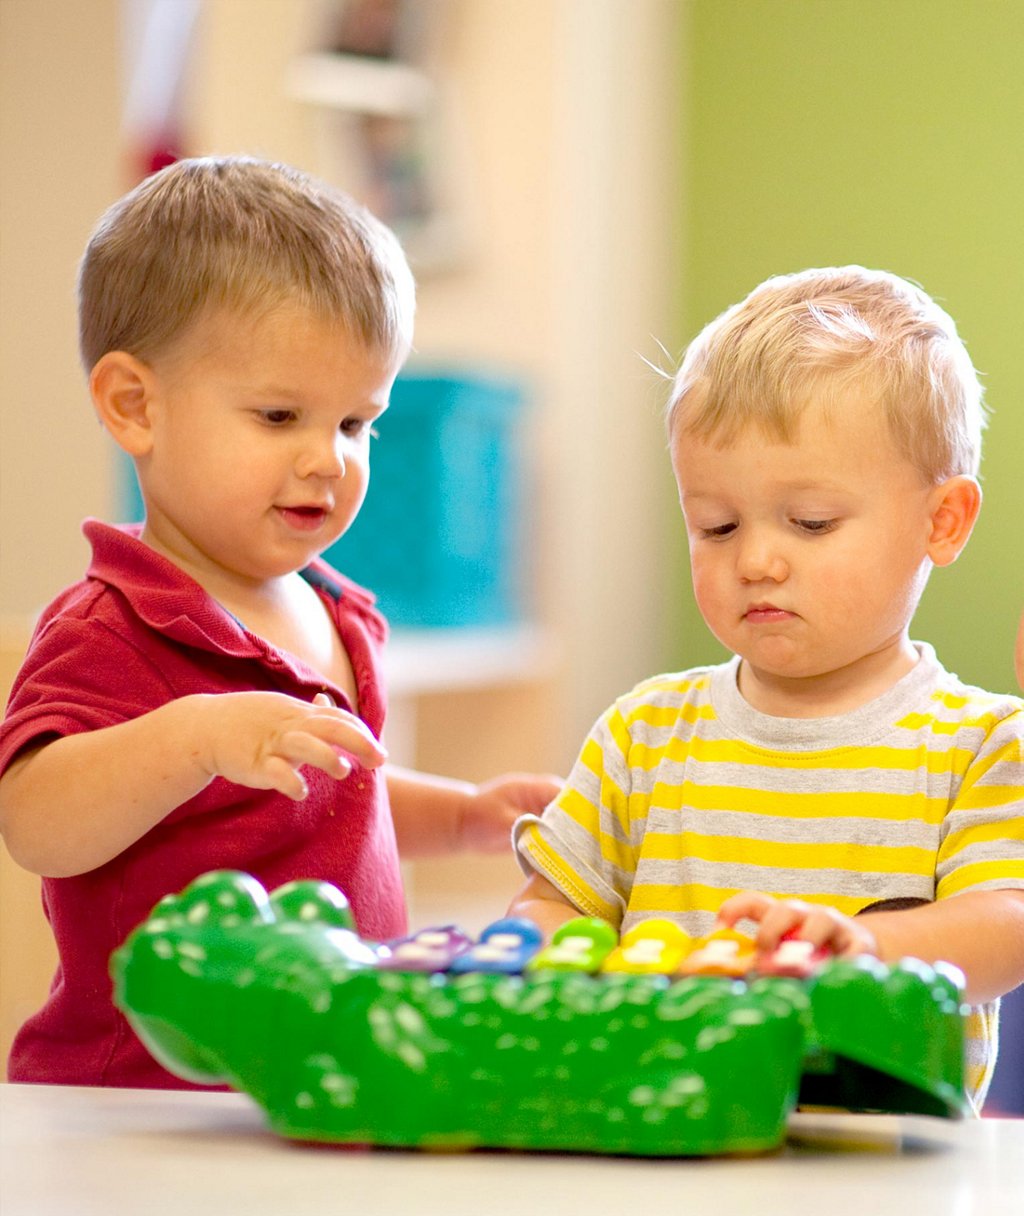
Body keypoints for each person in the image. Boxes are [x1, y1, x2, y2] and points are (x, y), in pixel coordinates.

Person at [0, 156, 559, 1089]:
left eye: (355, 423)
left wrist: (463, 816)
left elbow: (336, 795)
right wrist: (193, 739)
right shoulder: (114, 624)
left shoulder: (336, 611)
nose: (328, 460)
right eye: (279, 416)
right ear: (135, 406)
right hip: (149, 1101)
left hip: (320, 1076)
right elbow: (34, 820)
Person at [508, 266, 1024, 1113]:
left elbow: (1006, 925)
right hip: (651, 1130)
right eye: (716, 525)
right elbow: (552, 908)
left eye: (811, 522)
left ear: (943, 521)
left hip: (877, 1171)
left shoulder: (979, 744)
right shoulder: (646, 732)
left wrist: (864, 948)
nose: (756, 560)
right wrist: (542, 961)